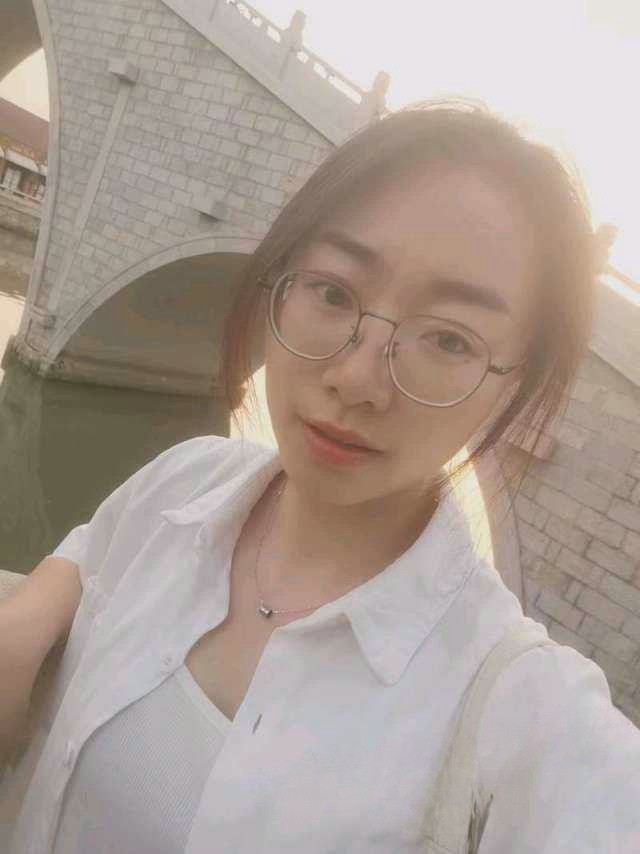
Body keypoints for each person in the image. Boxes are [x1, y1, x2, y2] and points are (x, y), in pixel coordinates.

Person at [1, 99, 640, 853]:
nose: (357, 379)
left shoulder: (522, 710)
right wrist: (36, 607)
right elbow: (95, 549)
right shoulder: (189, 478)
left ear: (514, 385)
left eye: (448, 340)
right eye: (334, 293)